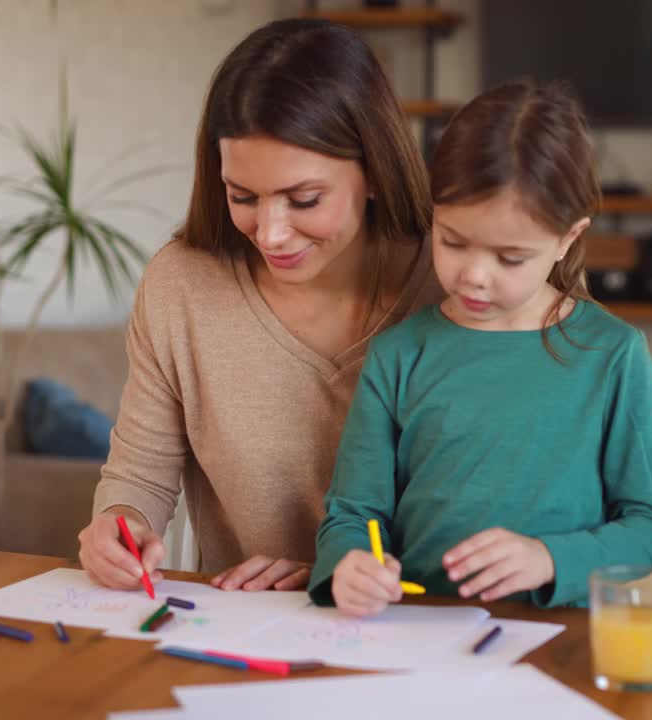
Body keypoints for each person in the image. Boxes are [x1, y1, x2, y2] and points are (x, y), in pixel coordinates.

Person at [78, 18, 438, 593]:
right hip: (238, 634)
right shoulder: (182, 285)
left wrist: (333, 578)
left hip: (426, 634)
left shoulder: (462, 284)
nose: (269, 233)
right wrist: (117, 526)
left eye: (304, 199)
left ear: (374, 172)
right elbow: (138, 473)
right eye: (242, 196)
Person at [309, 79, 652, 617]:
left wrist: (550, 558)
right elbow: (354, 513)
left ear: (568, 239)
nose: (475, 276)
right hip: (418, 633)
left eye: (510, 257)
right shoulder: (398, 353)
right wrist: (348, 566)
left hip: (558, 640)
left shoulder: (612, 354)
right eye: (453, 241)